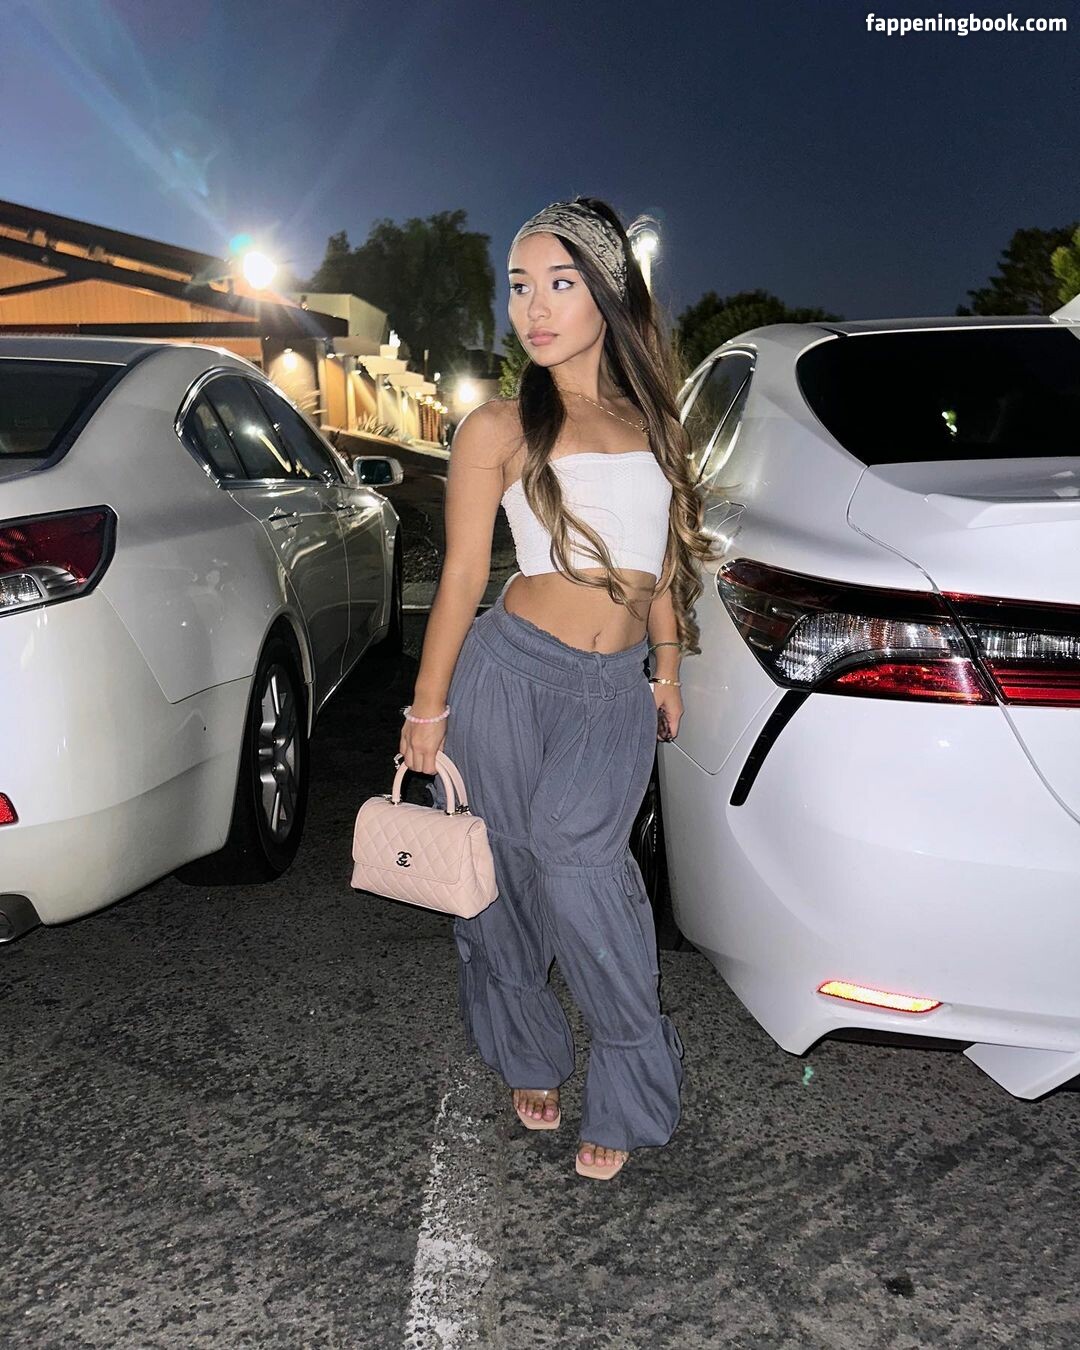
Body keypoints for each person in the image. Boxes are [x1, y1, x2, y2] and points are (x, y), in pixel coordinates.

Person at [399, 197, 720, 1180]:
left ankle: (630, 1084)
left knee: (582, 866)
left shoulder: (656, 423)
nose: (533, 308)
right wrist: (426, 710)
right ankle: (529, 1052)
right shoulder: (498, 427)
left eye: (560, 283)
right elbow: (462, 577)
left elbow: (664, 567)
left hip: (609, 689)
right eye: (519, 286)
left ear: (610, 295)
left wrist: (666, 664)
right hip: (506, 677)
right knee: (501, 878)